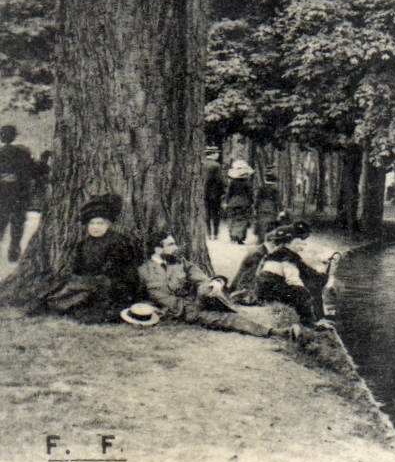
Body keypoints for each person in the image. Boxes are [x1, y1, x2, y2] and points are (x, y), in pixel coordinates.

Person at [137, 232, 299, 338]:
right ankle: (275, 332)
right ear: (158, 249)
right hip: (187, 311)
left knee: (210, 289)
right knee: (228, 319)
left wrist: (214, 283)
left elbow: (199, 277)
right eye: (170, 244)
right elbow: (150, 296)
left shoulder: (180, 262)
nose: (176, 247)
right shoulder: (144, 271)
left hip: (200, 299)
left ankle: (229, 302)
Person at [41, 194, 143, 322]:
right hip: (90, 282)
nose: (95, 227)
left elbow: (113, 270)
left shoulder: (118, 242)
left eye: (100, 223)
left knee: (85, 294)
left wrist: (87, 281)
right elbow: (77, 267)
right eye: (92, 223)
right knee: (66, 289)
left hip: (114, 284)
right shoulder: (84, 243)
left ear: (108, 224)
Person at [255, 225, 335, 329]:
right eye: (297, 243)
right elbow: (292, 278)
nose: (300, 246)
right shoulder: (288, 257)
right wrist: (302, 289)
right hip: (271, 286)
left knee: (303, 289)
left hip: (265, 286)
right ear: (287, 244)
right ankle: (310, 323)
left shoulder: (277, 253)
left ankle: (317, 316)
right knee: (302, 293)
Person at [0, 124, 34, 263]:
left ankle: (13, 249)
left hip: (3, 193)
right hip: (19, 193)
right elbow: (30, 171)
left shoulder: (1, 153)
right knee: (17, 222)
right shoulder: (23, 153)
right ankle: (14, 250)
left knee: (2, 221)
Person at [222, 159, 256, 244]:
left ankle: (233, 235)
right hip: (244, 203)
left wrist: (226, 202)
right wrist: (252, 202)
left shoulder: (232, 182)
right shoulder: (247, 183)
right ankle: (239, 237)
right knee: (242, 220)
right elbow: (250, 194)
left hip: (232, 203)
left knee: (232, 219)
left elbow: (229, 193)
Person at [202, 147, 226, 240]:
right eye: (216, 153)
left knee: (207, 213)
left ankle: (208, 233)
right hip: (215, 193)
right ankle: (215, 233)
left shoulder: (202, 164)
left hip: (204, 192)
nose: (218, 155)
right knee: (215, 214)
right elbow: (219, 180)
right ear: (212, 154)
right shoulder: (216, 165)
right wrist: (223, 190)